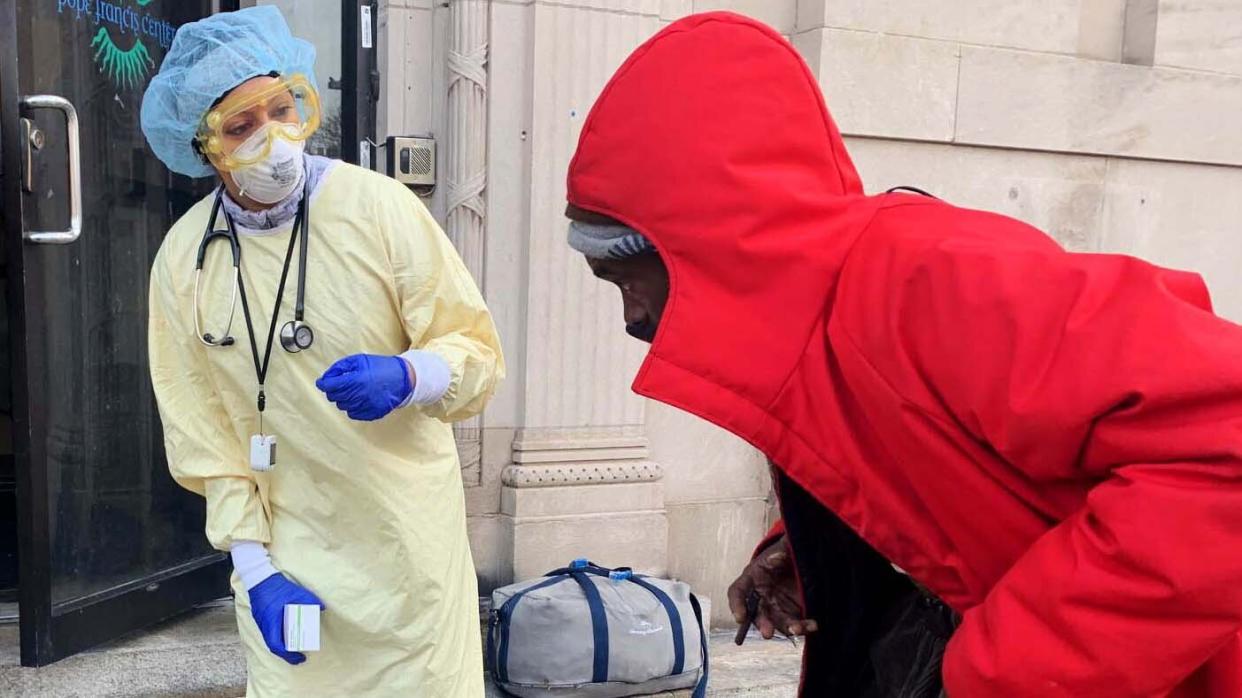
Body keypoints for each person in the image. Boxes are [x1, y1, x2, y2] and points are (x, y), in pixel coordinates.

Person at [564, 12, 1242, 698]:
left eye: (626, 278)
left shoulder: (934, 279)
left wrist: (1008, 673)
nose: (632, 316)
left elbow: (1225, 446)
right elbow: (933, 470)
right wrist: (801, 548)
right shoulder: (821, 315)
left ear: (711, 242)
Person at [141, 7, 503, 696]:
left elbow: (476, 352)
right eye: (241, 126)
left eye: (282, 109)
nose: (272, 140)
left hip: (405, 549)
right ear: (203, 147)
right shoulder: (184, 260)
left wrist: (413, 372)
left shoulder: (380, 209)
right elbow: (203, 434)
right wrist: (256, 571)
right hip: (290, 553)